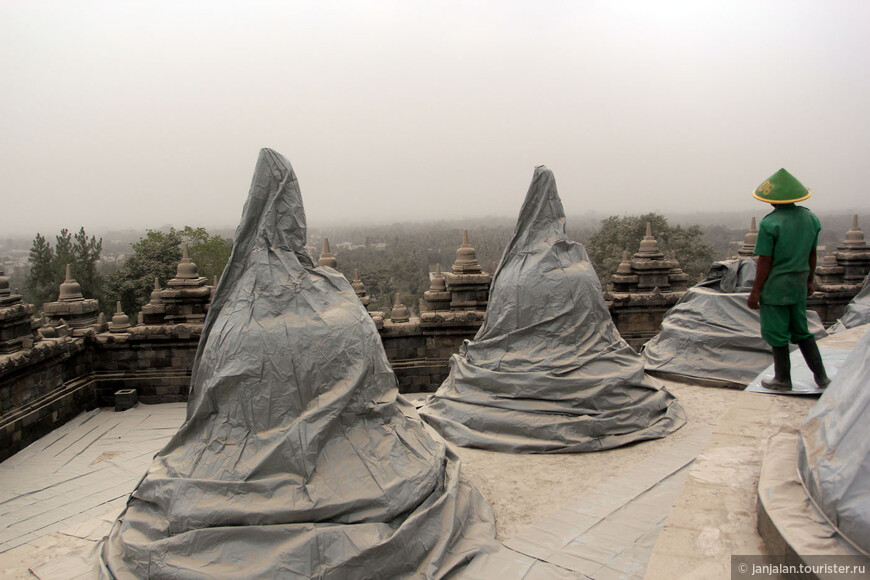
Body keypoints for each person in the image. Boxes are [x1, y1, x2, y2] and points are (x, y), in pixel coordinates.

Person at [747, 168, 830, 391]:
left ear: (772, 200)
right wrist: (810, 280)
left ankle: (782, 379)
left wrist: (755, 291)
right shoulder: (810, 218)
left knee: (777, 333)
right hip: (798, 285)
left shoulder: (770, 223)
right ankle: (822, 378)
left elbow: (765, 261)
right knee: (802, 331)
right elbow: (813, 254)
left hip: (775, 287)